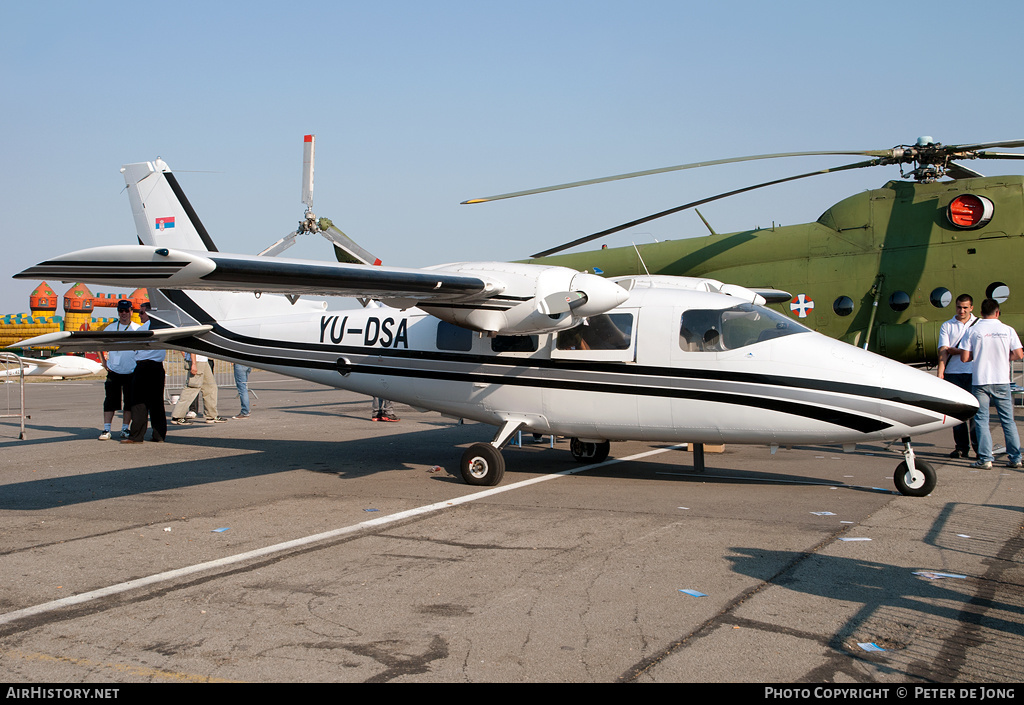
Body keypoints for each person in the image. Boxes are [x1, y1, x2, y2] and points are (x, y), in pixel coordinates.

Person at [960, 298, 1024, 469]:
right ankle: (1015, 457)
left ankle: (986, 458)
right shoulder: (1007, 330)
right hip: (1002, 380)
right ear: (997, 312)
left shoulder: (973, 330)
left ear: (981, 313)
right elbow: (1019, 354)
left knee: (982, 420)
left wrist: (978, 356)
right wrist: (1005, 357)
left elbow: (965, 358)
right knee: (1008, 421)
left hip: (981, 381)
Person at [937, 294, 978, 458]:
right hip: (953, 372)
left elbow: (978, 350)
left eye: (965, 308)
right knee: (957, 414)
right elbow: (943, 350)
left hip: (974, 372)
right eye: (959, 307)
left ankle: (979, 448)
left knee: (975, 414)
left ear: (971, 308)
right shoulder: (947, 325)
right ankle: (961, 447)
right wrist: (940, 373)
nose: (962, 311)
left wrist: (956, 351)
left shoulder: (978, 324)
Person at [123, 303, 167, 443]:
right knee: (157, 403)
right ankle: (159, 434)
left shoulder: (144, 328)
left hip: (144, 367)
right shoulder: (164, 327)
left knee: (138, 403)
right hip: (157, 367)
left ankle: (136, 436)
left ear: (149, 313)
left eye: (142, 313)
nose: (139, 315)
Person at [98, 300, 139, 439]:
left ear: (131, 311)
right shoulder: (110, 328)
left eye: (126, 310)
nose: (123, 314)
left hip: (131, 371)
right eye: (121, 311)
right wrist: (104, 363)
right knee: (110, 400)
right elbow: (99, 345)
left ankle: (125, 428)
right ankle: (106, 429)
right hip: (114, 371)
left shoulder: (137, 328)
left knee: (129, 401)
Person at [171, 352, 225, 424]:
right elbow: (193, 347)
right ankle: (177, 416)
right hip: (197, 361)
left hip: (203, 360)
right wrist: (193, 363)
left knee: (210, 387)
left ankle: (211, 415)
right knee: (192, 388)